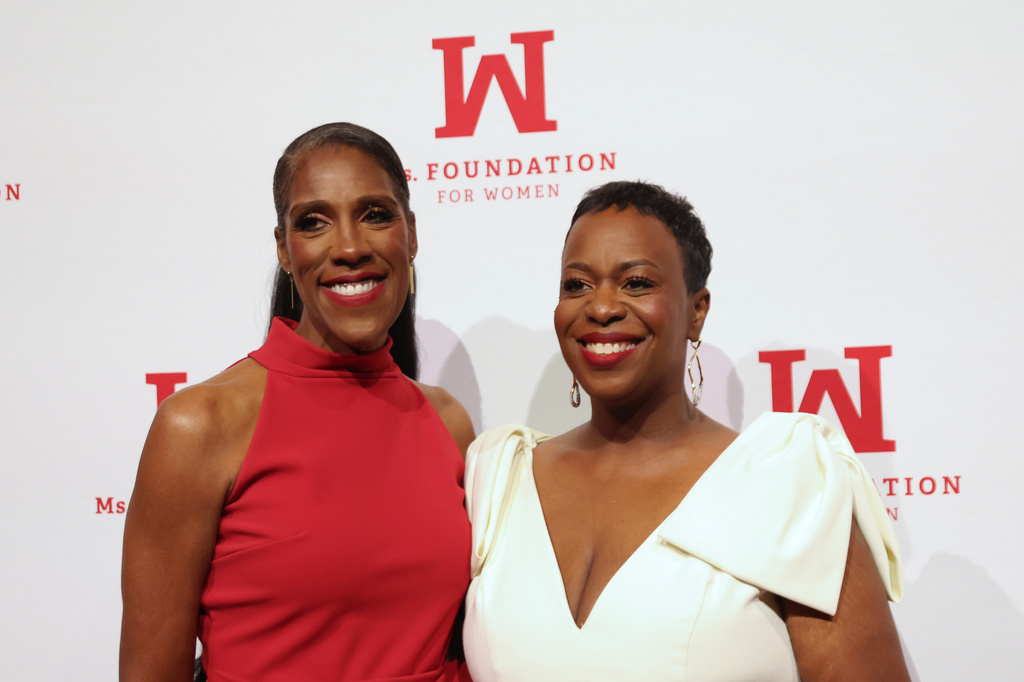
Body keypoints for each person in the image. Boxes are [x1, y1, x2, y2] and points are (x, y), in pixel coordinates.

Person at [462, 181, 909, 681]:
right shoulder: (498, 478)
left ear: (697, 311)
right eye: (577, 285)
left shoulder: (788, 482)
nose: (601, 306)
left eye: (635, 283)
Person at [120, 122, 475, 682]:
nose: (351, 246)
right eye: (313, 222)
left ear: (410, 233)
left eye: (375, 214)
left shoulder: (448, 423)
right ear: (285, 250)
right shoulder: (200, 424)